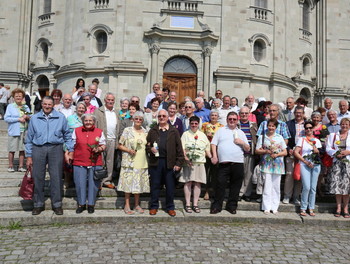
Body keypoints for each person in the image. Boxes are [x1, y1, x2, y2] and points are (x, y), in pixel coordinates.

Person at [25, 96, 73, 215]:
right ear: (42, 104)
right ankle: (38, 204)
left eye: (49, 104)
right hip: (38, 148)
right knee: (38, 177)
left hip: (55, 148)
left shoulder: (60, 117)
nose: (47, 106)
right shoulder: (34, 118)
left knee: (56, 177)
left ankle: (56, 204)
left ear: (53, 105)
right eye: (45, 104)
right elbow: (29, 138)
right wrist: (29, 156)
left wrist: (69, 150)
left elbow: (67, 135)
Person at [210, 111, 250, 214]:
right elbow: (214, 144)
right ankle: (217, 206)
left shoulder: (241, 133)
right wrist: (214, 156)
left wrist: (242, 142)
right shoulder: (221, 130)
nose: (232, 121)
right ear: (227, 120)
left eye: (234, 119)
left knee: (235, 186)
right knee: (220, 185)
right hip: (224, 163)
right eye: (230, 119)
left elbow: (248, 148)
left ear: (237, 121)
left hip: (237, 163)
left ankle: (232, 206)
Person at [146, 109, 184, 217]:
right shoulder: (153, 130)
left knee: (170, 186)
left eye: (163, 116)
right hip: (156, 162)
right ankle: (154, 206)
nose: (161, 118)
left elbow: (179, 149)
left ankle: (170, 207)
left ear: (167, 118)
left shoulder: (173, 131)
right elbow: (147, 146)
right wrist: (150, 149)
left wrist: (178, 163)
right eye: (159, 116)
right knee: (155, 185)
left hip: (170, 163)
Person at [71, 114, 106, 214]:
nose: (88, 122)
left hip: (95, 162)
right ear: (83, 121)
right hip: (79, 161)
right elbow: (72, 144)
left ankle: (91, 204)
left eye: (90, 121)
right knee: (80, 183)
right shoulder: (76, 130)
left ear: (94, 122)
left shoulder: (99, 131)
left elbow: (103, 145)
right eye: (86, 120)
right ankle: (81, 204)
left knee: (93, 184)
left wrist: (99, 148)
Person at [117, 111, 150, 214]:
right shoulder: (127, 130)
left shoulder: (145, 132)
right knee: (128, 184)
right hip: (130, 161)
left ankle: (136, 204)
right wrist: (128, 150)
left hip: (141, 161)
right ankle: (127, 205)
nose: (138, 121)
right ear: (133, 119)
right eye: (136, 119)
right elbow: (119, 145)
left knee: (138, 184)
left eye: (140, 119)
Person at [255, 119, 287, 214]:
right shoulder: (263, 137)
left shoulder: (280, 137)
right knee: (267, 185)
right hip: (267, 164)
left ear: (276, 127)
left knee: (276, 186)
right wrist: (266, 151)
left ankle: (275, 206)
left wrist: (277, 154)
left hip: (278, 164)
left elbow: (285, 152)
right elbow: (257, 150)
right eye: (269, 126)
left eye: (273, 126)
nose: (271, 128)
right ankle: (266, 206)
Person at [180, 116, 211, 213]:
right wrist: (186, 158)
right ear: (189, 124)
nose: (194, 125)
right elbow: (182, 148)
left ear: (198, 124)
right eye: (192, 123)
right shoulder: (185, 134)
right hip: (188, 162)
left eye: (195, 124)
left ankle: (195, 204)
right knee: (188, 182)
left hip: (200, 162)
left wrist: (212, 158)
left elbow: (207, 148)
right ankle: (188, 204)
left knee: (198, 183)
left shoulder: (202, 135)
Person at [293, 121, 322, 216]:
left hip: (316, 165)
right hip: (305, 164)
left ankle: (311, 207)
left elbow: (320, 153)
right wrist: (304, 161)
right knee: (306, 187)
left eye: (310, 128)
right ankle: (303, 207)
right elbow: (296, 152)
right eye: (307, 128)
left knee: (313, 188)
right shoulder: (301, 139)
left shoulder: (317, 141)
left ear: (313, 128)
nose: (308, 129)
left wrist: (317, 150)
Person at [326, 117, 350, 218]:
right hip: (337, 162)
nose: (344, 126)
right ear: (340, 125)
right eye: (342, 124)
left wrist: (348, 152)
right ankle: (338, 207)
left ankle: (346, 208)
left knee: (347, 186)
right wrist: (336, 153)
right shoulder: (334, 135)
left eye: (346, 124)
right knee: (337, 186)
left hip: (348, 162)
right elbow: (328, 148)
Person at [95, 92, 119, 189]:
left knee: (110, 161)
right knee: (100, 160)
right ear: (105, 100)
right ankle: (99, 181)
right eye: (108, 100)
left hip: (112, 139)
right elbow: (95, 125)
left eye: (112, 100)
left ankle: (107, 180)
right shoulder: (98, 111)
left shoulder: (116, 112)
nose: (110, 101)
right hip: (101, 140)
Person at [4, 88, 31, 172]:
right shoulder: (10, 106)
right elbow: (6, 118)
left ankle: (20, 166)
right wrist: (18, 119)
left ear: (23, 97)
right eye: (16, 96)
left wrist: (27, 116)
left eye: (20, 96)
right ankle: (11, 166)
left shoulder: (25, 107)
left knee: (22, 149)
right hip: (14, 131)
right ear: (13, 97)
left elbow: (30, 116)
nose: (18, 97)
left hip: (24, 131)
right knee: (12, 149)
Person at [283, 106, 305, 205]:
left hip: (303, 154)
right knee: (289, 174)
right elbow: (284, 138)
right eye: (297, 112)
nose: (298, 114)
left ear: (303, 113)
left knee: (299, 176)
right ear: (294, 113)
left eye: (300, 113)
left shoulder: (307, 125)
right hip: (291, 153)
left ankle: (296, 197)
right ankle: (287, 196)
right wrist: (288, 149)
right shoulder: (288, 124)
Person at [201, 109, 224, 200]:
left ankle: (214, 190)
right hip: (207, 152)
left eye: (215, 115)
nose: (214, 117)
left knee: (216, 173)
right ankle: (206, 190)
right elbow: (201, 137)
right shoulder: (205, 125)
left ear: (218, 117)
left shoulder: (221, 126)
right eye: (212, 115)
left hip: (217, 152)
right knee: (207, 172)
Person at [238, 106, 258, 202]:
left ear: (249, 114)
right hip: (238, 153)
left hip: (250, 153)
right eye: (242, 113)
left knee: (249, 175)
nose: (244, 115)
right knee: (239, 174)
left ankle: (247, 193)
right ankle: (239, 193)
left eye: (246, 113)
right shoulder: (236, 124)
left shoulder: (253, 125)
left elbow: (256, 138)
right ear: (239, 114)